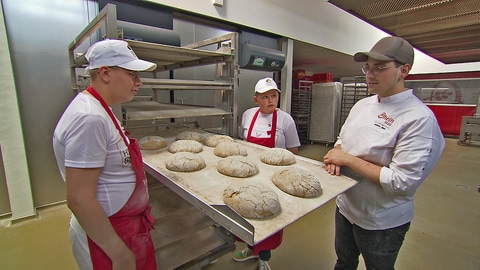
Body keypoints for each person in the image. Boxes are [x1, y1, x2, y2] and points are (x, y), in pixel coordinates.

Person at [323, 36, 445, 270]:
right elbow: (342, 141)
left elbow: (402, 182)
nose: (370, 74)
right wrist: (336, 154)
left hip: (381, 221)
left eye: (380, 67)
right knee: (344, 262)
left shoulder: (418, 118)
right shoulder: (362, 106)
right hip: (346, 207)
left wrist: (347, 159)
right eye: (368, 67)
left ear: (404, 70)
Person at [53, 39, 157, 270]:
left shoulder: (102, 109)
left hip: (123, 227)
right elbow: (80, 199)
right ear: (105, 73)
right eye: (132, 75)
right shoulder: (89, 118)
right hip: (104, 236)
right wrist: (118, 253)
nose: (139, 82)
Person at [235, 77, 301, 270]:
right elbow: (243, 142)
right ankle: (250, 248)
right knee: (248, 212)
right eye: (265, 97)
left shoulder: (285, 119)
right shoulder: (248, 115)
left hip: (273, 177)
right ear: (256, 99)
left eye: (274, 96)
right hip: (249, 174)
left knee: (269, 216)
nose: (271, 100)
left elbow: (293, 151)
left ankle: (264, 257)